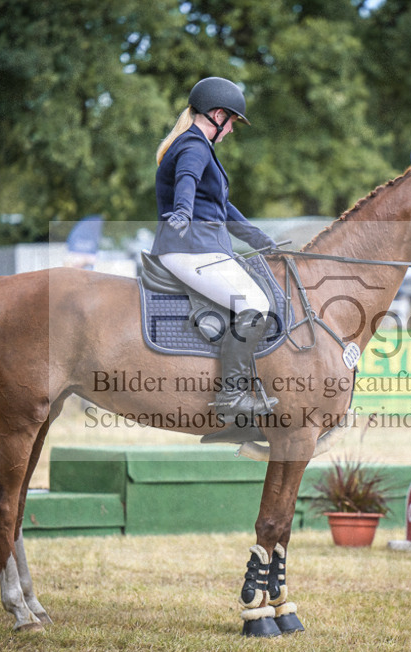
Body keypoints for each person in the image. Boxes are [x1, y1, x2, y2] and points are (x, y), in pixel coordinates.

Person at [151, 76, 278, 422]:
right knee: (256, 304)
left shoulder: (198, 147)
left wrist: (259, 239)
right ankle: (232, 396)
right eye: (233, 121)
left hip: (203, 249)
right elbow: (186, 181)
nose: (233, 130)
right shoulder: (194, 146)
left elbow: (224, 208)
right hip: (191, 249)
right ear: (218, 114)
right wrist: (182, 211)